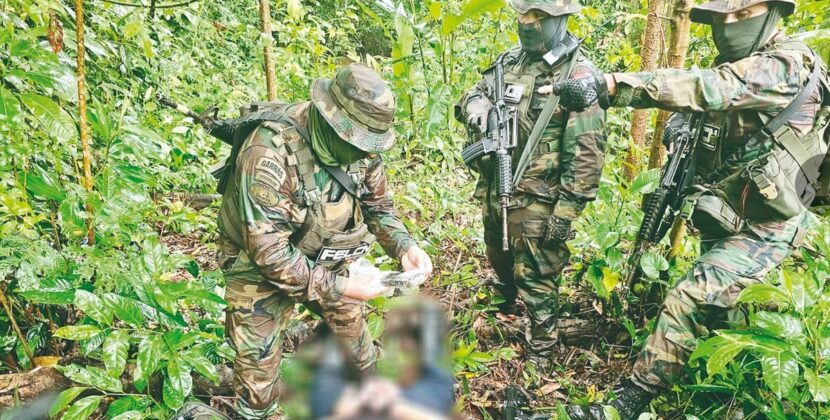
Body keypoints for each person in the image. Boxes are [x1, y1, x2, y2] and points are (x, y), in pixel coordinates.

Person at [551, 0, 830, 418]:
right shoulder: (738, 63)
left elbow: (710, 87)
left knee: (691, 295)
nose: (729, 25)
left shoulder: (786, 65)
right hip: (730, 213)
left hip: (771, 224)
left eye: (742, 16)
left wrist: (611, 85)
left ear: (773, 12)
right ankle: (730, 399)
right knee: (727, 312)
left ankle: (629, 402)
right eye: (721, 18)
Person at [216, 63, 433, 419]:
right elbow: (269, 254)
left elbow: (378, 206)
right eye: (358, 143)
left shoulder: (364, 149)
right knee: (257, 396)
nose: (366, 153)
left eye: (370, 144)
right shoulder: (269, 152)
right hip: (254, 266)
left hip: (323, 254)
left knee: (360, 354)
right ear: (332, 123)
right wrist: (342, 285)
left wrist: (404, 245)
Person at [455, 0, 607, 361]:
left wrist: (566, 211)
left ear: (560, 19)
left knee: (536, 272)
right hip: (497, 182)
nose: (527, 22)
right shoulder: (510, 62)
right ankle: (503, 304)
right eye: (523, 14)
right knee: (498, 251)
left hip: (542, 194)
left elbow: (587, 153)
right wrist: (477, 106)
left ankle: (542, 345)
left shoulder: (577, 76)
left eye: (537, 16)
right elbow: (472, 94)